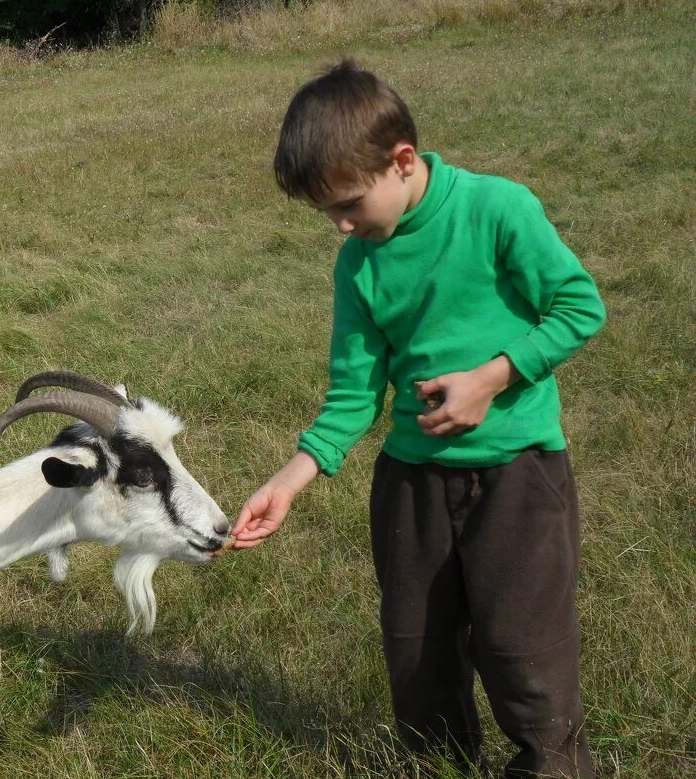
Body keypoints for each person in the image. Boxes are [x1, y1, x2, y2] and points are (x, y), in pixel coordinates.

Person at [231, 60, 605, 778]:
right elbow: (352, 392)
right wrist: (289, 479)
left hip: (519, 477)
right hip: (411, 485)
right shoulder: (359, 264)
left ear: (401, 161)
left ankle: (552, 764)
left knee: (525, 651)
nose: (341, 225)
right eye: (326, 215)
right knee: (417, 654)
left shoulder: (498, 209)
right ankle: (440, 765)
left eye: (347, 204)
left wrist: (492, 378)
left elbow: (580, 306)